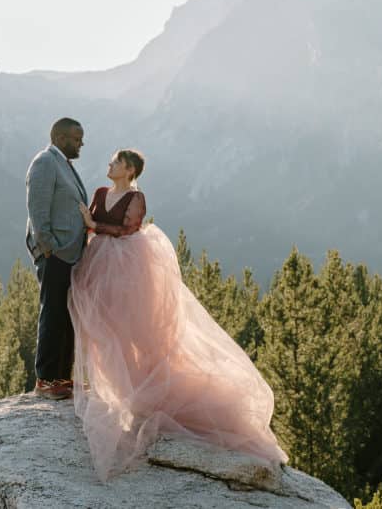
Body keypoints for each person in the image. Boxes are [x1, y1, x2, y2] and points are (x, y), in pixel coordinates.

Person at [69, 149, 288, 481]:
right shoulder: (101, 193)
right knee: (104, 329)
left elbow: (128, 230)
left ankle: (140, 392)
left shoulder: (136, 197)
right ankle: (116, 388)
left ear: (129, 170)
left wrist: (93, 224)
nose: (110, 165)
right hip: (99, 265)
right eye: (112, 162)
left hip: (126, 269)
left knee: (132, 331)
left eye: (116, 162)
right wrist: (88, 229)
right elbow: (93, 227)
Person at [25, 117, 88, 400]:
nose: (81, 144)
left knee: (66, 315)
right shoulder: (45, 162)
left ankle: (63, 376)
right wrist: (49, 246)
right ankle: (46, 380)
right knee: (52, 313)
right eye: (76, 138)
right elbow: (37, 209)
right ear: (61, 138)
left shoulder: (64, 164)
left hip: (70, 254)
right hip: (56, 253)